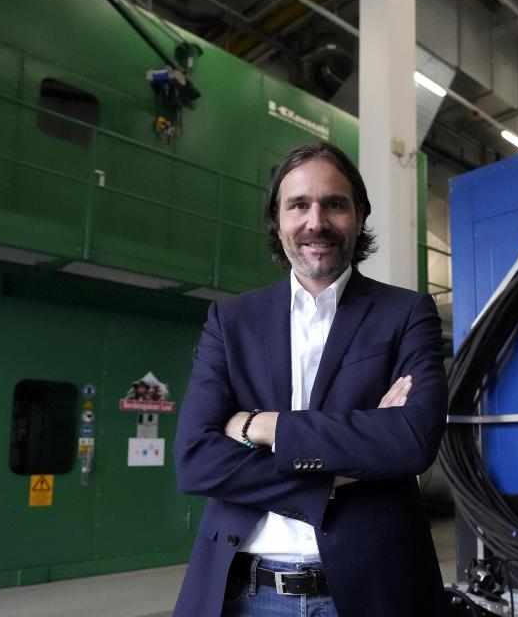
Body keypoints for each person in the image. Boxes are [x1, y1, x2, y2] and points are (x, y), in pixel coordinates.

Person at [173, 141, 448, 617]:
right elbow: (196, 460)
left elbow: (411, 441)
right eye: (298, 205)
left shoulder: (405, 314)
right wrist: (340, 470)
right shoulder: (231, 321)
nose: (316, 222)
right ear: (277, 222)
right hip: (244, 593)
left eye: (334, 204)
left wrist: (262, 427)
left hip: (374, 591)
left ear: (359, 217)